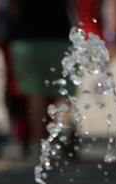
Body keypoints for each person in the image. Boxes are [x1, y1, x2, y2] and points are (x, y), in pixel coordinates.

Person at [8, 0, 75, 146]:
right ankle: (61, 139)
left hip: (28, 39)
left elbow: (14, 9)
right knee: (63, 94)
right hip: (59, 37)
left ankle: (40, 147)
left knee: (35, 95)